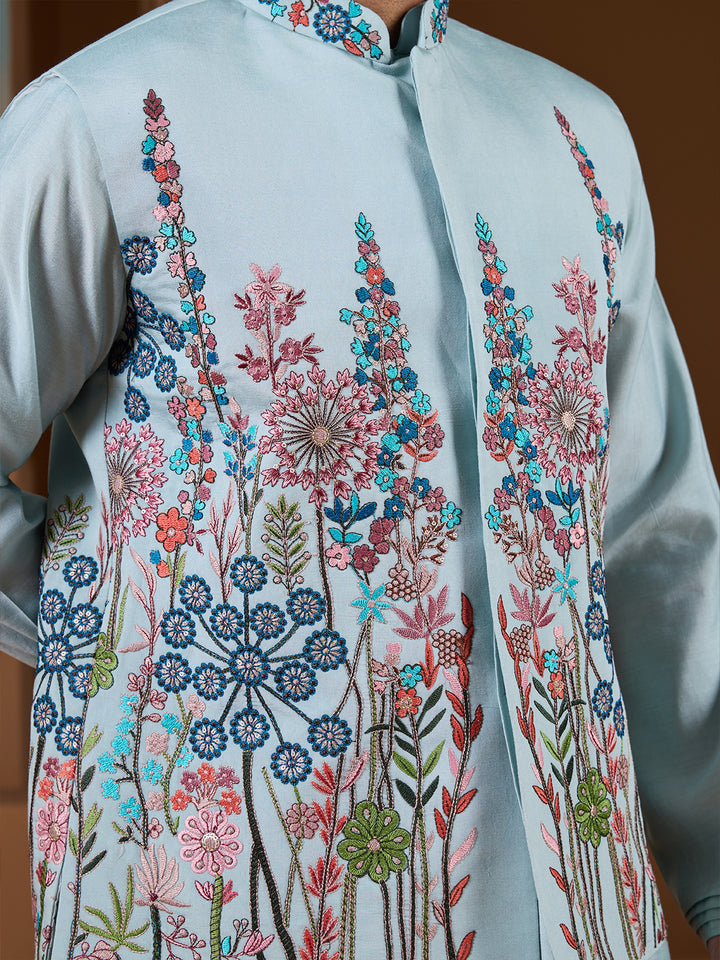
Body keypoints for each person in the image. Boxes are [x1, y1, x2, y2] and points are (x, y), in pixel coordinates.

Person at [1, 0, 718, 957]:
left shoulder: (576, 134)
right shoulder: (100, 119)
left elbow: (653, 540)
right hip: (232, 905)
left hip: (588, 916)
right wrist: (123, 645)